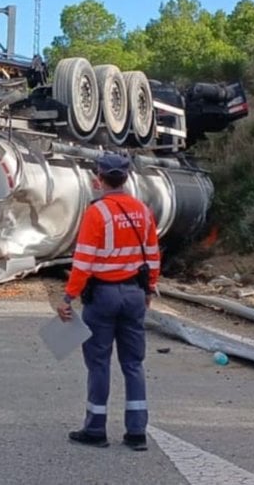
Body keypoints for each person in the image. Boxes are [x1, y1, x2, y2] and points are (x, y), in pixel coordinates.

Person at [56, 152, 161, 452]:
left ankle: (96, 429)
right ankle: (137, 432)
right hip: (134, 295)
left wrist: (68, 297)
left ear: (98, 179)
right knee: (133, 363)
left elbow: (84, 261)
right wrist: (149, 290)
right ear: (126, 177)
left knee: (99, 363)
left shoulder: (96, 213)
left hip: (102, 296)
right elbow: (153, 256)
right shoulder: (143, 211)